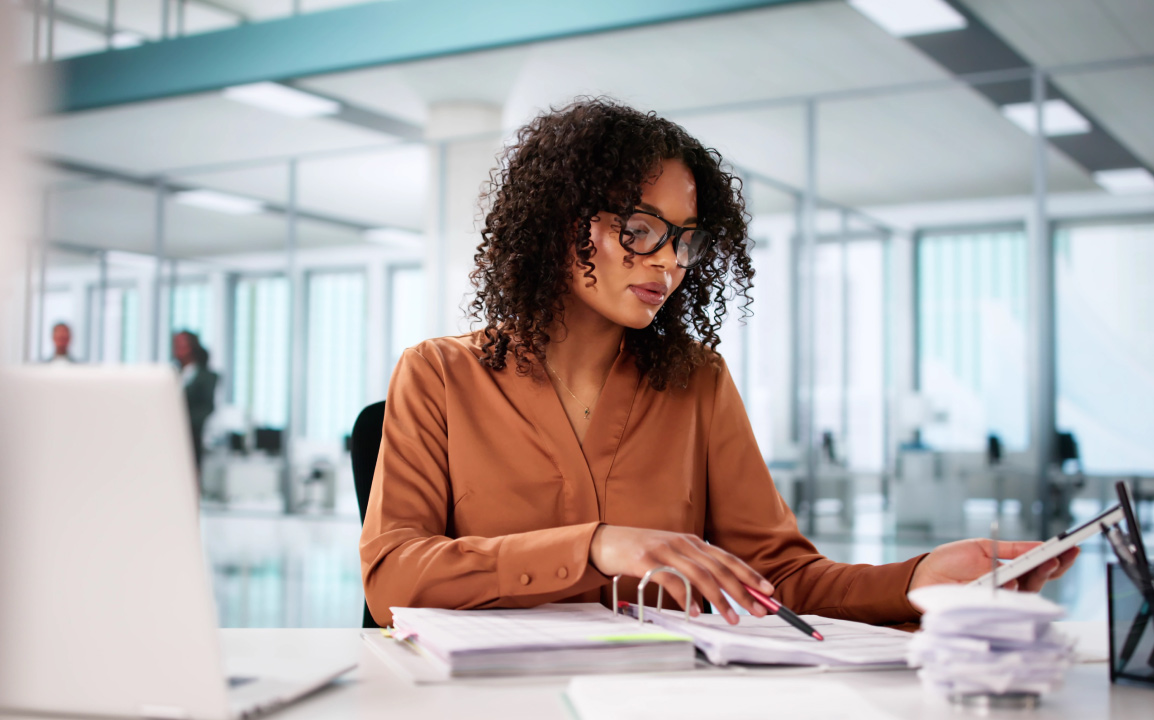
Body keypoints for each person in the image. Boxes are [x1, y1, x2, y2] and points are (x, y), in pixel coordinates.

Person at [360, 99, 1077, 628]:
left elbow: (779, 578)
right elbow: (393, 575)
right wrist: (598, 547)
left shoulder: (697, 381)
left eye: (686, 241)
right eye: (639, 231)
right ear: (560, 223)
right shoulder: (438, 375)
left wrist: (919, 577)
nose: (670, 262)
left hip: (659, 697)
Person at [173, 330, 218, 481]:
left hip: (192, 435)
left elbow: (208, 407)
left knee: (190, 477)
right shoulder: (171, 374)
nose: (178, 349)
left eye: (182, 345)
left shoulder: (207, 376)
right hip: (170, 435)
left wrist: (183, 421)